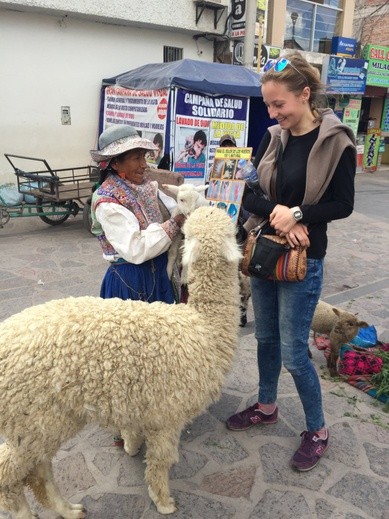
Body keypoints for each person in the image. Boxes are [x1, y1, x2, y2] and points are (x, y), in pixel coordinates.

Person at [226, 52, 356, 472]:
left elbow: (343, 204)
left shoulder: (337, 142)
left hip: (304, 259)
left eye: (278, 104)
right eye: (268, 104)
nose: (272, 112)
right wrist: (283, 213)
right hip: (265, 250)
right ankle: (267, 406)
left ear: (305, 94)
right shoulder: (273, 137)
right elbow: (248, 191)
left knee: (295, 353)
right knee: (265, 339)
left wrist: (300, 215)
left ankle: (317, 430)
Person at [90, 124, 185, 305]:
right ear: (116, 163)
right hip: (131, 281)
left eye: (143, 156)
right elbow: (136, 248)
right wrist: (176, 222)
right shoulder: (107, 202)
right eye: (136, 158)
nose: (143, 164)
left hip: (159, 274)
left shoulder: (147, 186)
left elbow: (173, 207)